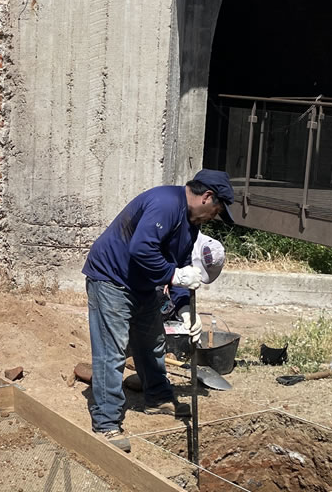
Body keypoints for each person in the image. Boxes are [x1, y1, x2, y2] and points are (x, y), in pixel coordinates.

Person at [81, 169, 236, 452]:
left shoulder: (190, 225)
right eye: (217, 210)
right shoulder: (166, 203)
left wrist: (185, 308)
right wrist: (174, 276)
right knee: (112, 352)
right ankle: (106, 423)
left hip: (142, 285)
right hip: (111, 279)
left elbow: (177, 265)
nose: (215, 216)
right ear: (207, 197)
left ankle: (157, 398)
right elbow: (141, 250)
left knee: (151, 343)